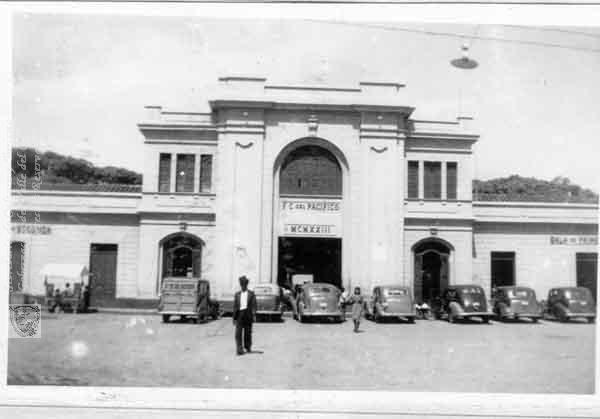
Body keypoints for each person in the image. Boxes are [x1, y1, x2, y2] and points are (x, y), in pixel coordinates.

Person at [232, 276, 257, 356]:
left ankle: (247, 346)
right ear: (240, 284)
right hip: (239, 314)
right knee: (238, 334)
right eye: (242, 284)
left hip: (248, 314)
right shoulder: (237, 294)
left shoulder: (251, 294)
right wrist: (234, 318)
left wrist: (254, 315)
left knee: (248, 333)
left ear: (246, 284)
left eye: (244, 284)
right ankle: (239, 349)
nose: (243, 285)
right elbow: (235, 307)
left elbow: (254, 305)